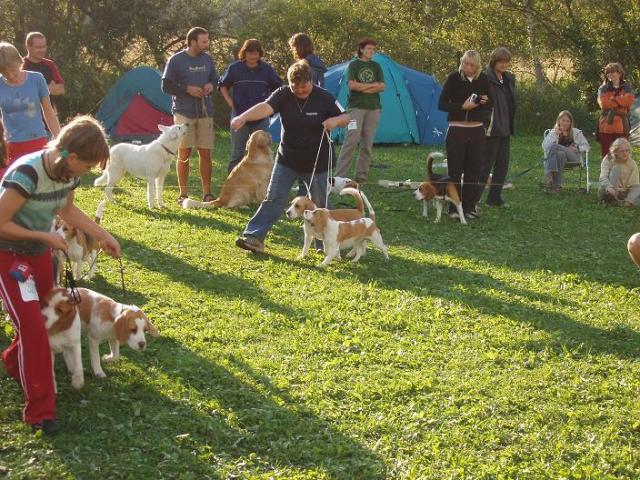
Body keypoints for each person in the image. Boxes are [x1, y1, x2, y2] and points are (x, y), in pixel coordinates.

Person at [0, 116, 121, 434]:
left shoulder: (69, 174)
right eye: (88, 164)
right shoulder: (25, 174)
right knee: (35, 329)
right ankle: (40, 412)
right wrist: (44, 238)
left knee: (43, 321)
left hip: (39, 256)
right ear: (72, 156)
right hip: (9, 256)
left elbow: (67, 211)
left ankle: (16, 362)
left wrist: (103, 235)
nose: (88, 171)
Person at [233, 60, 349, 254]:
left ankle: (326, 244)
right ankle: (254, 237)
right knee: (274, 198)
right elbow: (266, 107)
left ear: (311, 81)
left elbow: (346, 117)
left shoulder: (324, 97)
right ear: (289, 83)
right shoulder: (283, 94)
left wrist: (335, 120)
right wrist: (243, 117)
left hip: (316, 162)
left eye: (304, 86)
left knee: (319, 205)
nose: (300, 90)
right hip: (287, 159)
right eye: (295, 87)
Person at [161, 27, 218, 204]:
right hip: (184, 112)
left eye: (207, 41)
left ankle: (207, 194)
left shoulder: (207, 59)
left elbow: (215, 79)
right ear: (192, 42)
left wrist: (210, 85)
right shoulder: (176, 60)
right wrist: (187, 89)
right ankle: (183, 194)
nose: (206, 45)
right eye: (203, 41)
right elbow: (166, 86)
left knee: (206, 154)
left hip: (205, 112)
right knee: (184, 153)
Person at [438, 50, 491, 219]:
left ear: (477, 66)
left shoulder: (483, 79)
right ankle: (454, 207)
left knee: (473, 170)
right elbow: (442, 104)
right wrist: (462, 107)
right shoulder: (453, 78)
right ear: (462, 63)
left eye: (472, 65)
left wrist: (485, 101)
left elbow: (491, 102)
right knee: (454, 169)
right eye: (466, 63)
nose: (468, 67)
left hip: (476, 130)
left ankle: (469, 207)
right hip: (456, 129)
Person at [219, 39, 281, 173]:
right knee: (237, 153)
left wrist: (271, 105)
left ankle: (259, 183)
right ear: (244, 53)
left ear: (260, 54)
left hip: (261, 118)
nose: (252, 56)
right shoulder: (234, 68)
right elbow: (222, 85)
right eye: (249, 53)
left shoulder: (267, 70)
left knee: (261, 152)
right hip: (239, 116)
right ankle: (233, 184)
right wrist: (229, 100)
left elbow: (278, 88)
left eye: (256, 53)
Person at [0, 42, 60, 169]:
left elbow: (49, 113)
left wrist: (60, 139)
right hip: (8, 146)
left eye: (13, 71)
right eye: (4, 74)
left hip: (36, 141)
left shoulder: (37, 79)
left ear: (20, 62)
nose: (10, 76)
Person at [334, 38, 385, 184]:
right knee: (351, 140)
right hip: (355, 108)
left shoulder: (376, 66)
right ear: (361, 49)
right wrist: (371, 86)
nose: (371, 51)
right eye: (369, 49)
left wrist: (362, 86)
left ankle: (361, 178)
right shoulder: (354, 65)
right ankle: (340, 176)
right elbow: (352, 86)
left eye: (373, 49)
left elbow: (382, 87)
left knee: (367, 143)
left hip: (374, 108)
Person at [477, 47, 515, 207]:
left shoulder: (509, 79)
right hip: (491, 129)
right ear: (494, 61)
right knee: (485, 166)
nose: (504, 64)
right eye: (501, 61)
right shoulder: (485, 78)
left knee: (503, 164)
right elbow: (481, 102)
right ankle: (474, 199)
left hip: (505, 127)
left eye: (506, 61)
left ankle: (494, 198)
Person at [542, 110, 590, 193]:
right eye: (563, 120)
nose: (565, 123)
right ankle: (556, 187)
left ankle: (548, 174)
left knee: (554, 146)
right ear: (559, 121)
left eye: (568, 121)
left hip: (573, 159)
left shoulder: (576, 132)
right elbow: (545, 146)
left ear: (571, 122)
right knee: (560, 155)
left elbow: (587, 146)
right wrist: (555, 135)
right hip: (559, 160)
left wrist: (577, 148)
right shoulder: (554, 132)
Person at [597, 62, 634, 158]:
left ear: (619, 73)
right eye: (608, 72)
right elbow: (604, 103)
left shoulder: (627, 88)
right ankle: (607, 173)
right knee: (607, 157)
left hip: (622, 126)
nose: (610, 74)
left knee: (622, 156)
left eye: (612, 72)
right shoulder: (603, 88)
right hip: (606, 126)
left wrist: (613, 99)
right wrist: (621, 100)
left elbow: (629, 101)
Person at [598, 137, 639, 207]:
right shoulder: (608, 159)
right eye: (622, 151)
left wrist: (629, 200)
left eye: (627, 151)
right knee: (616, 169)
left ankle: (620, 203)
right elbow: (603, 177)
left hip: (623, 193)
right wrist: (609, 187)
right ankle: (611, 200)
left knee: (636, 196)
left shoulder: (632, 163)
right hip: (609, 190)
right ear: (615, 151)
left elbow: (635, 185)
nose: (625, 154)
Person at [22, 32, 65, 98]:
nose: (42, 50)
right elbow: (18, 91)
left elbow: (61, 89)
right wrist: (49, 88)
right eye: (38, 47)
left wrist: (36, 90)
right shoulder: (20, 65)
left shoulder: (50, 64)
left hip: (48, 108)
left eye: (44, 46)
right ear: (28, 47)